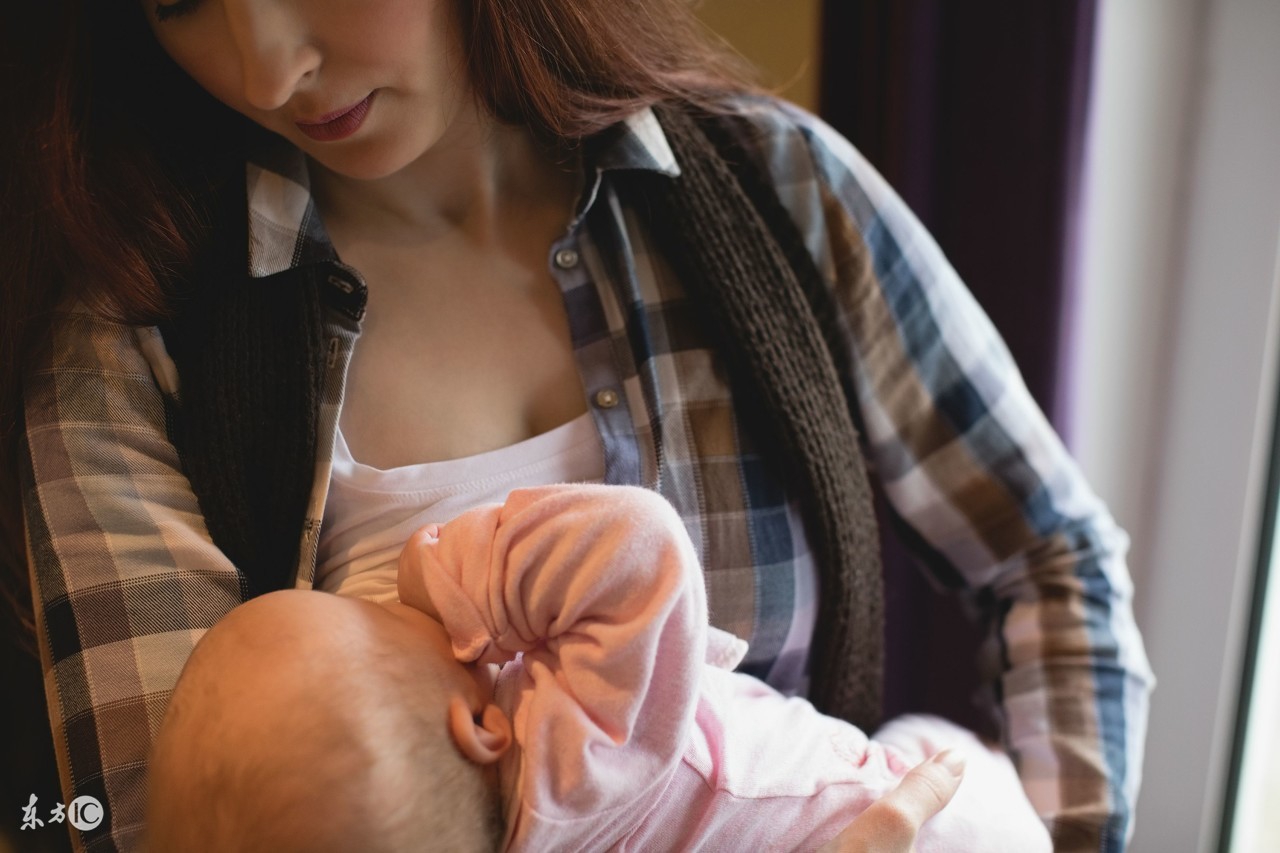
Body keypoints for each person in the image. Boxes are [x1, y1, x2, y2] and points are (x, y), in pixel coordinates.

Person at [1, 0, 1154, 851]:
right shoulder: (137, 345)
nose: (269, 65)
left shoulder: (777, 191)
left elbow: (1046, 556)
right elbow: (140, 826)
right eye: (179, 3)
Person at [146, 484, 1051, 852]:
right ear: (479, 727)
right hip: (937, 826)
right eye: (368, 620)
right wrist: (451, 576)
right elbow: (638, 548)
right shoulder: (572, 751)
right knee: (951, 755)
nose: (382, 599)